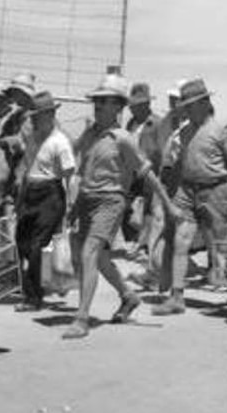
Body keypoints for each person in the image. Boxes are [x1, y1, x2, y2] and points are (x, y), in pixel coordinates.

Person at [63, 74, 180, 339]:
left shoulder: (123, 138)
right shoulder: (92, 135)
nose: (98, 106)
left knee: (90, 253)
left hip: (111, 201)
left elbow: (148, 172)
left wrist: (169, 205)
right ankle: (128, 296)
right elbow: (83, 171)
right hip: (87, 201)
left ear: (118, 106)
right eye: (97, 101)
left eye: (105, 102)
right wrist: (73, 207)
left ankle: (81, 318)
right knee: (100, 258)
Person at [152, 78, 227, 316]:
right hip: (187, 191)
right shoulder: (185, 131)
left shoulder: (221, 131)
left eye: (190, 104)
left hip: (216, 192)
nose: (186, 109)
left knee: (225, 245)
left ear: (204, 103)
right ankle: (177, 297)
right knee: (181, 241)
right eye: (185, 105)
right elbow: (178, 163)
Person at [14, 91, 75, 311]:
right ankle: (33, 287)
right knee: (21, 244)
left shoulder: (60, 142)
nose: (33, 119)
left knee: (37, 247)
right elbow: (27, 168)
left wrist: (70, 206)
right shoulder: (33, 138)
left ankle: (34, 297)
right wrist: (20, 199)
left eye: (37, 115)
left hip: (50, 194)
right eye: (32, 115)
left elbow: (69, 174)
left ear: (49, 114)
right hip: (30, 192)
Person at [124, 82, 164, 256]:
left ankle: (141, 243)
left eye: (137, 106)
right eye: (132, 106)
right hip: (131, 171)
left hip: (149, 171)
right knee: (127, 206)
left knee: (147, 208)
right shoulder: (131, 124)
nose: (133, 110)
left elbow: (161, 150)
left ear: (146, 105)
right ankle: (136, 239)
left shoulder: (156, 124)